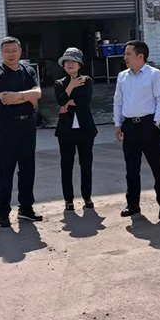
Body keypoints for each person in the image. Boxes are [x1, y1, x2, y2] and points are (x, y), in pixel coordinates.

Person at [0, 36, 43, 228]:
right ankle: (3, 214)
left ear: (20, 51)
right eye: (7, 51)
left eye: (14, 50)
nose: (11, 54)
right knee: (6, 171)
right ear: (1, 53)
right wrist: (27, 97)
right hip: (7, 128)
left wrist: (18, 96)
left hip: (28, 125)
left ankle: (26, 209)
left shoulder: (28, 71)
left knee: (28, 169)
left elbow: (38, 93)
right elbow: (5, 99)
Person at [113, 40, 160, 220]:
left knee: (157, 167)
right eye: (125, 54)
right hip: (129, 126)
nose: (125, 57)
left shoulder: (154, 74)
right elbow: (118, 101)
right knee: (131, 169)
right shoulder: (122, 76)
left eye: (128, 54)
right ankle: (133, 204)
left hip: (148, 125)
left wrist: (157, 122)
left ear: (140, 56)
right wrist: (118, 123)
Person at [54, 47, 97, 212]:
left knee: (86, 165)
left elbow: (84, 102)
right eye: (67, 61)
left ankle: (87, 197)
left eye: (73, 61)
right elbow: (60, 101)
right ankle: (68, 200)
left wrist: (68, 103)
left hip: (85, 130)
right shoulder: (59, 83)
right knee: (66, 166)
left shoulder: (87, 80)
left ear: (79, 65)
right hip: (66, 131)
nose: (70, 64)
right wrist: (71, 86)